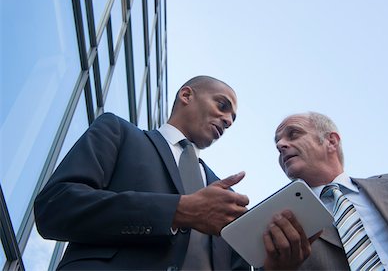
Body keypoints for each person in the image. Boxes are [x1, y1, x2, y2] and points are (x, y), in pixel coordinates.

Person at [34, 75, 309, 270]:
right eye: (222, 106)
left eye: (232, 119)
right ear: (186, 95)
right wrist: (178, 211)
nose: (227, 120)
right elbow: (55, 207)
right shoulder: (118, 133)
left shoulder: (226, 197)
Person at [274, 111, 388, 270]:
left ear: (331, 141)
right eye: (277, 143)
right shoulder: (280, 224)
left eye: (294, 134)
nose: (281, 144)